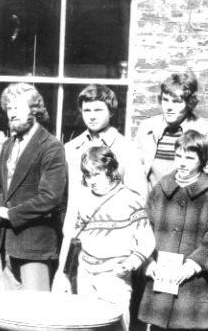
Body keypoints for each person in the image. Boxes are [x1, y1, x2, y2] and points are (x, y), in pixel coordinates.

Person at [137, 130, 208, 331]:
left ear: (202, 160)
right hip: (160, 280)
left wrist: (192, 265)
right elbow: (142, 228)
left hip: (192, 285)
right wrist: (147, 263)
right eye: (179, 156)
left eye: (190, 157)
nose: (183, 163)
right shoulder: (161, 189)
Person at [54, 84, 145, 292]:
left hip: (113, 249)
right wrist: (63, 266)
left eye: (98, 110)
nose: (92, 116)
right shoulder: (72, 149)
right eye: (87, 110)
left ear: (111, 111)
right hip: (76, 245)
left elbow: (138, 202)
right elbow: (70, 205)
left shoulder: (126, 150)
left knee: (114, 314)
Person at [0, 83, 67, 291]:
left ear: (35, 109)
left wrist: (9, 213)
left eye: (17, 107)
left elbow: (51, 197)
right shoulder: (8, 145)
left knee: (34, 314)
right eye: (9, 108)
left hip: (36, 245)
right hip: (7, 243)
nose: (12, 114)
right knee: (8, 313)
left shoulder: (51, 146)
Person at [67, 146, 155, 331]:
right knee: (87, 328)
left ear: (110, 171)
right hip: (86, 273)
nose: (92, 181)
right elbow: (76, 237)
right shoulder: (83, 199)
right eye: (88, 175)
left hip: (114, 275)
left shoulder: (130, 199)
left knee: (116, 330)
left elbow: (147, 240)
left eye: (97, 174)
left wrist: (130, 263)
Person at [136, 71, 208, 200]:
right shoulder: (147, 128)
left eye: (176, 102)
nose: (169, 107)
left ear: (189, 103)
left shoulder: (206, 131)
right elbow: (135, 170)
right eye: (165, 100)